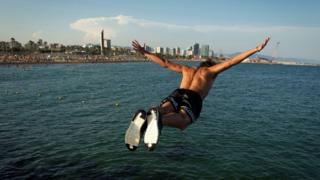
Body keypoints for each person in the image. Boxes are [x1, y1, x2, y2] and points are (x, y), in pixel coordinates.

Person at [125, 37, 270, 151]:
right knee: (183, 121)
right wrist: (256, 49)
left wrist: (145, 52)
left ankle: (154, 113)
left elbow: (165, 63)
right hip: (192, 97)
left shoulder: (186, 69)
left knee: (165, 109)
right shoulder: (209, 71)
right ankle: (159, 120)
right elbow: (231, 62)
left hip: (178, 92)